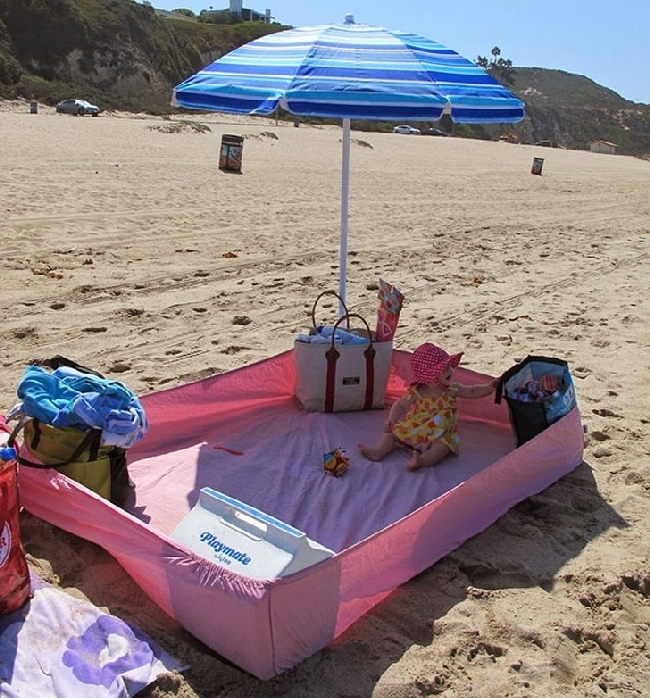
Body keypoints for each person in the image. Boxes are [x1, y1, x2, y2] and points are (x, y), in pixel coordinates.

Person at [359, 342, 498, 471]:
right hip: (415, 429)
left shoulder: (452, 389)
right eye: (443, 369)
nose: (449, 371)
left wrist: (489, 387)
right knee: (392, 434)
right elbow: (400, 405)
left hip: (440, 434)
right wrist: (391, 419)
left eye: (449, 366)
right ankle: (377, 451)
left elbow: (472, 391)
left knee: (443, 448)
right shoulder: (416, 391)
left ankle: (421, 461)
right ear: (429, 379)